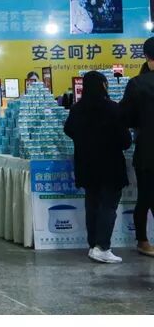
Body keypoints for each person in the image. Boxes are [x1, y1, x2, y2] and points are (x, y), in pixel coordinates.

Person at [64, 71, 131, 264]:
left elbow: (68, 129)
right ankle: (103, 247)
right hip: (110, 165)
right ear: (103, 85)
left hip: (86, 165)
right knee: (108, 206)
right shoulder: (113, 108)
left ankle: (93, 245)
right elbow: (125, 141)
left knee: (92, 204)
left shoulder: (77, 109)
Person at [120, 37, 154, 257]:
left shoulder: (137, 84)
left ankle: (143, 241)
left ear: (147, 57)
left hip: (148, 150)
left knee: (145, 197)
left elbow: (125, 117)